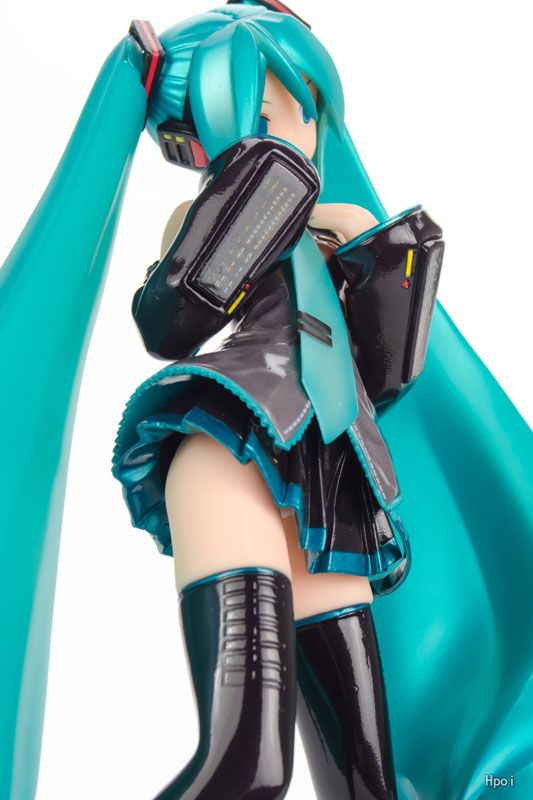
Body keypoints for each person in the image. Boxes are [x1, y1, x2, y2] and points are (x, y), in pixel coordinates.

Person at [1, 3, 531, 800]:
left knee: (368, 787)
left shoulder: (345, 222)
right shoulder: (210, 212)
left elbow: (385, 376)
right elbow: (168, 323)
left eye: (291, 107)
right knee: (248, 766)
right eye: (246, 117)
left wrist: (396, 268)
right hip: (235, 446)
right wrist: (259, 198)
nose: (282, 128)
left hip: (325, 476)